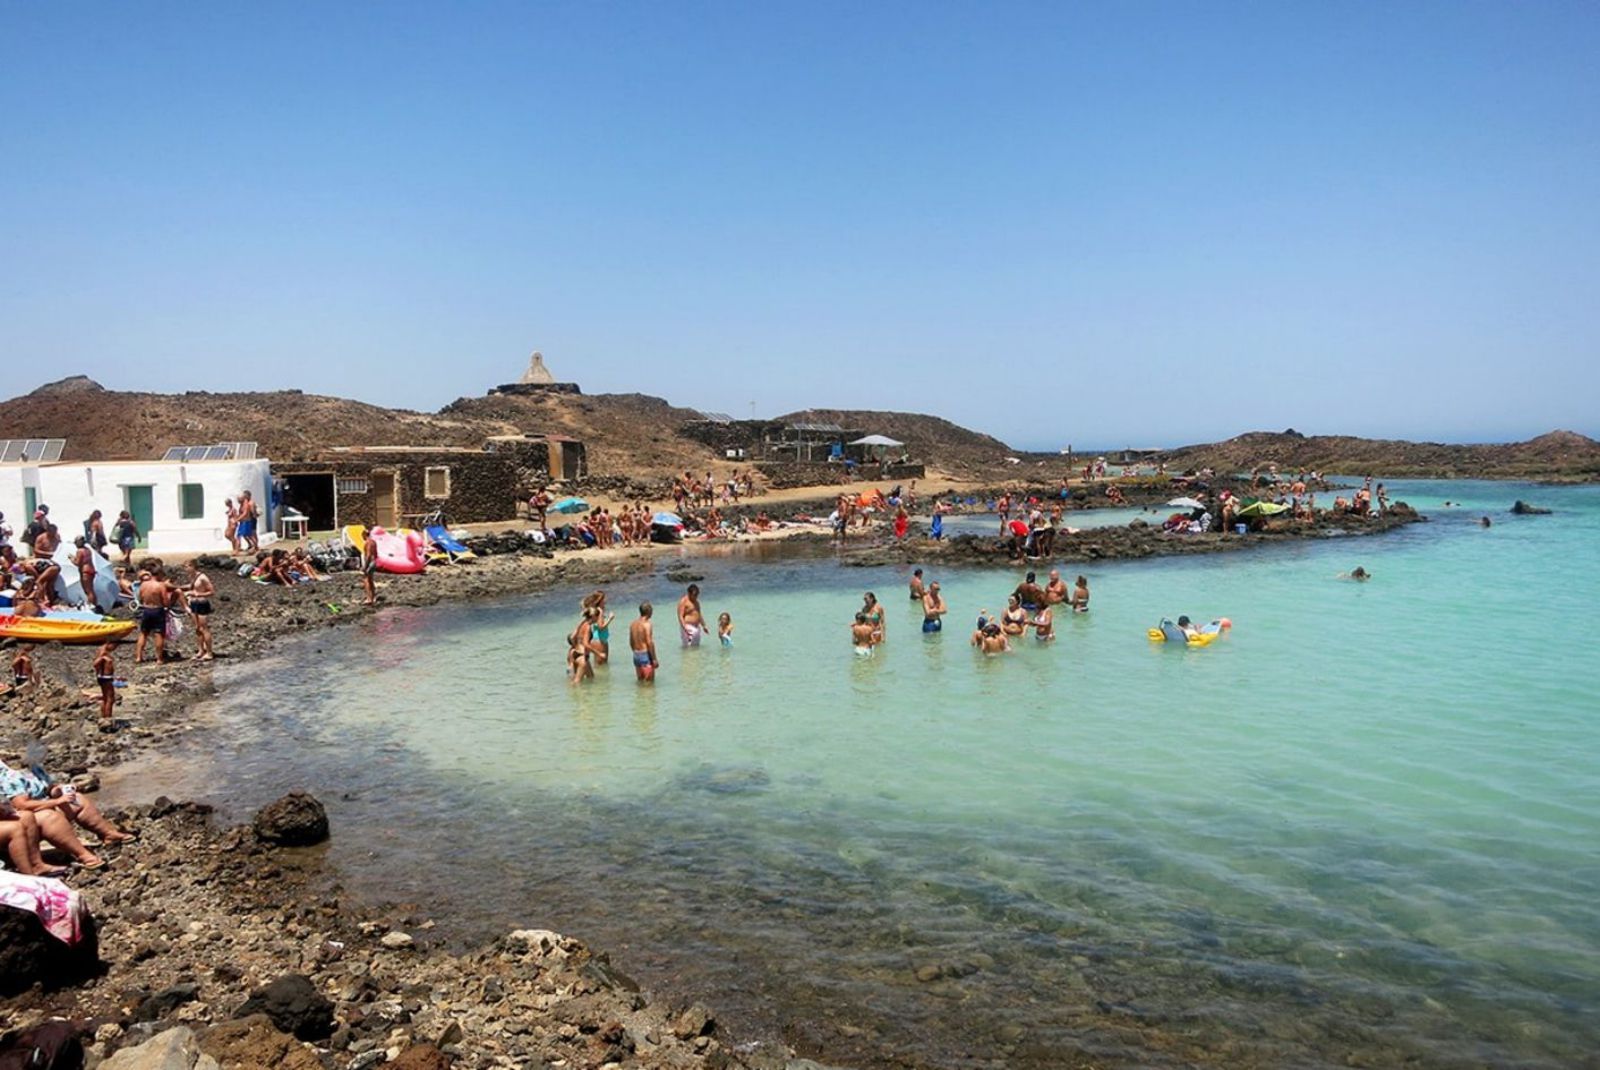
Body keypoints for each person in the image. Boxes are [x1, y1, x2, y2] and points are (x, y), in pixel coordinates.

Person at [1, 759, 136, 869]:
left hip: (42, 807)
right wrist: (57, 801)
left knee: (78, 799)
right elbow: (21, 805)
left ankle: (108, 833)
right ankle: (83, 855)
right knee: (49, 817)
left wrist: (57, 791)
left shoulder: (35, 769)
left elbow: (48, 788)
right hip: (24, 817)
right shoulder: (10, 777)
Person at [187, 562, 215, 660]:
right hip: (193, 604)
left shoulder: (203, 577)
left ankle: (209, 652)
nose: (185, 569)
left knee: (204, 628)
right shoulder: (192, 576)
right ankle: (201, 650)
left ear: (193, 567)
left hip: (202, 603)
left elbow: (211, 591)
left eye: (186, 566)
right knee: (197, 628)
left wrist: (198, 594)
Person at [629, 602, 659, 682]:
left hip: (636, 655)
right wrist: (654, 659)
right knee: (649, 685)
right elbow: (649, 642)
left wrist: (636, 652)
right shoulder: (647, 624)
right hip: (645, 655)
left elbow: (631, 641)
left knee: (641, 682)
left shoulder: (633, 624)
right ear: (649, 611)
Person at [72, 536, 100, 612]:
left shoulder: (79, 551)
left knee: (88, 590)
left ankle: (92, 606)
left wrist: (71, 559)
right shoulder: (88, 550)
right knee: (91, 590)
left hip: (85, 571)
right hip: (91, 570)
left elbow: (78, 563)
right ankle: (94, 605)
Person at [93, 639, 118, 722]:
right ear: (109, 644)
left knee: (105, 698)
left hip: (104, 677)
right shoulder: (103, 652)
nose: (114, 648)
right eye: (114, 646)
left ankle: (104, 717)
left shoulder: (102, 650)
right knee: (110, 698)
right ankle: (108, 717)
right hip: (105, 678)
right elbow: (95, 664)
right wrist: (103, 658)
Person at [360, 533, 378, 606]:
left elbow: (368, 555)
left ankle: (369, 599)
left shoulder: (368, 542)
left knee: (366, 580)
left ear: (364, 535)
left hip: (370, 562)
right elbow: (375, 554)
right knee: (371, 580)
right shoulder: (373, 542)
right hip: (374, 562)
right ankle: (373, 597)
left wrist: (365, 566)